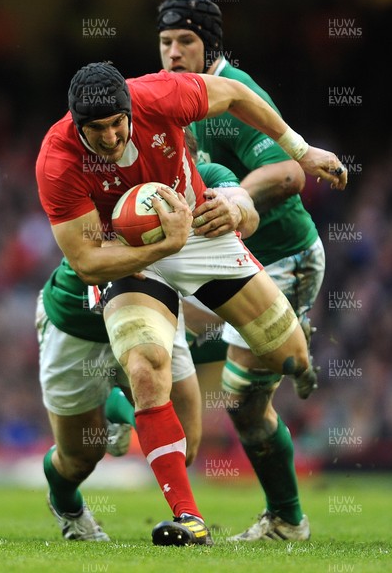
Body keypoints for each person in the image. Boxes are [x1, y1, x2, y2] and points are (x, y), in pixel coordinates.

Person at [35, 60, 346, 546]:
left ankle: (291, 342)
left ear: (132, 111)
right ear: (77, 125)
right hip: (127, 258)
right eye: (97, 130)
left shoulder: (160, 96)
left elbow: (235, 95)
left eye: (118, 124)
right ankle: (189, 520)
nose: (112, 138)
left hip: (196, 231)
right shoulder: (58, 158)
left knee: (286, 359)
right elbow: (89, 262)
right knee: (144, 367)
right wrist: (162, 246)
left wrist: (301, 151)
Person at [157, 0, 342, 541]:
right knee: (156, 340)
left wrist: (236, 195)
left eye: (184, 42)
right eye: (165, 43)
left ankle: (287, 520)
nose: (171, 54)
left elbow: (289, 173)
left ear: (209, 44)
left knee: (239, 401)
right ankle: (292, 346)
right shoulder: (174, 96)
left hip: (284, 258)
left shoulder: (236, 97)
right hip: (226, 257)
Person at [37, 131, 259, 543]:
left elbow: (243, 205)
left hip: (153, 316)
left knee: (187, 444)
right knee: (80, 455)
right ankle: (67, 503)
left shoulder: (205, 177)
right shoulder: (114, 181)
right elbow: (90, 274)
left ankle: (125, 410)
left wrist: (238, 211)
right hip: (78, 321)